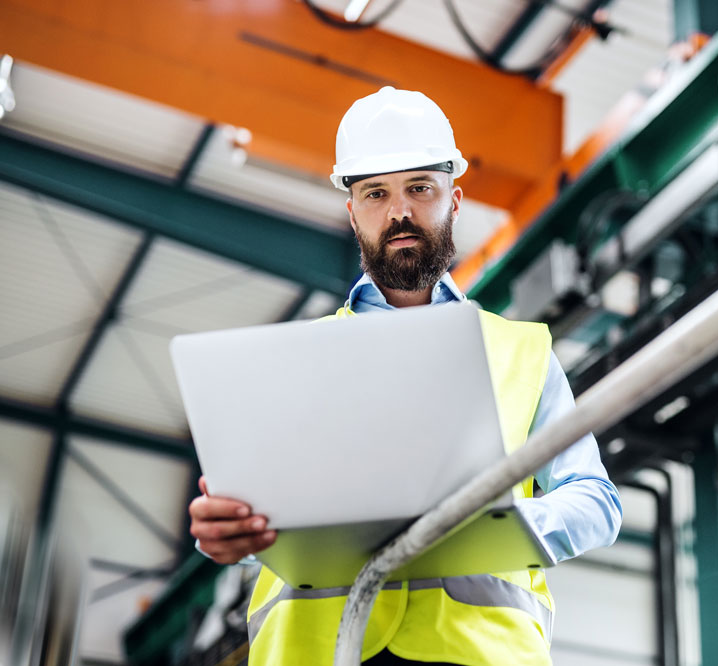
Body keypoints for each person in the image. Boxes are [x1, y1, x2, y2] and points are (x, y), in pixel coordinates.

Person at [188, 87, 622, 666]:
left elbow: (594, 500)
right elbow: (258, 519)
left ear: (454, 199)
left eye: (420, 187)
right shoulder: (295, 358)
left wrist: (494, 529)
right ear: (352, 212)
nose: (399, 212)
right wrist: (229, 536)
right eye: (375, 193)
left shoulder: (522, 353)